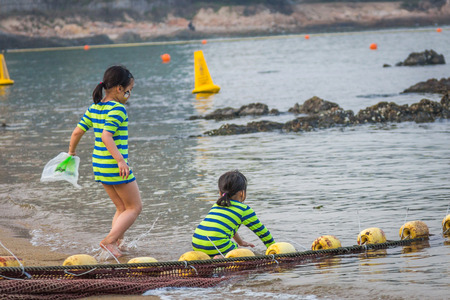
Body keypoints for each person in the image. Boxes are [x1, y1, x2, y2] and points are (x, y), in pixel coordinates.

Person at [67, 65, 142, 258]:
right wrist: (121, 161)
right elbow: (106, 137)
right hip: (114, 165)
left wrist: (72, 151)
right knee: (135, 207)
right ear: (118, 88)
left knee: (121, 207)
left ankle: (117, 243)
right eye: (128, 90)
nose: (129, 95)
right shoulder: (118, 109)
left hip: (99, 166)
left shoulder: (94, 107)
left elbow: (77, 132)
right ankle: (109, 241)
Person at [192, 170, 275, 257]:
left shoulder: (217, 205)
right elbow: (262, 232)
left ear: (220, 193)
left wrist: (240, 242)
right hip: (218, 244)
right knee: (250, 255)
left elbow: (226, 227)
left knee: (233, 246)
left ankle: (216, 256)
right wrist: (274, 248)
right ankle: (220, 258)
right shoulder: (244, 209)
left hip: (197, 243)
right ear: (242, 193)